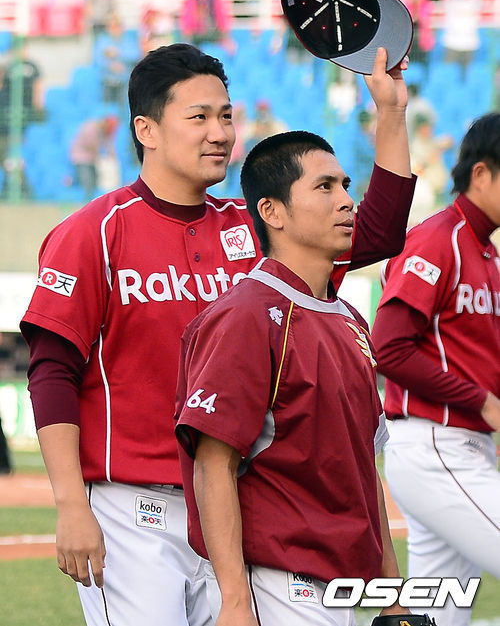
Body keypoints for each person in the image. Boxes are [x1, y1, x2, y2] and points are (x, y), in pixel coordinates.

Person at [20, 43, 414, 626]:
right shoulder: (94, 231)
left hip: (236, 510)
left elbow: (377, 233)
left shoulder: (255, 229)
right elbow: (52, 371)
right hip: (135, 509)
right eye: (199, 117)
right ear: (147, 130)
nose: (220, 133)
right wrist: (70, 503)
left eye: (226, 116)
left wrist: (391, 113)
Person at [174, 78, 412, 623]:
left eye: (345, 184)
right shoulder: (246, 315)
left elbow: (363, 474)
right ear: (273, 212)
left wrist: (392, 597)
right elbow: (213, 466)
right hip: (278, 587)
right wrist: (236, 600)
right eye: (324, 187)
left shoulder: (348, 318)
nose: (347, 200)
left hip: (341, 589)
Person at [372, 113, 500, 626]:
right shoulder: (438, 238)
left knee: (439, 618)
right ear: (482, 174)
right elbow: (388, 348)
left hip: (461, 449)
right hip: (435, 447)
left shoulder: (487, 255)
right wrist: (481, 401)